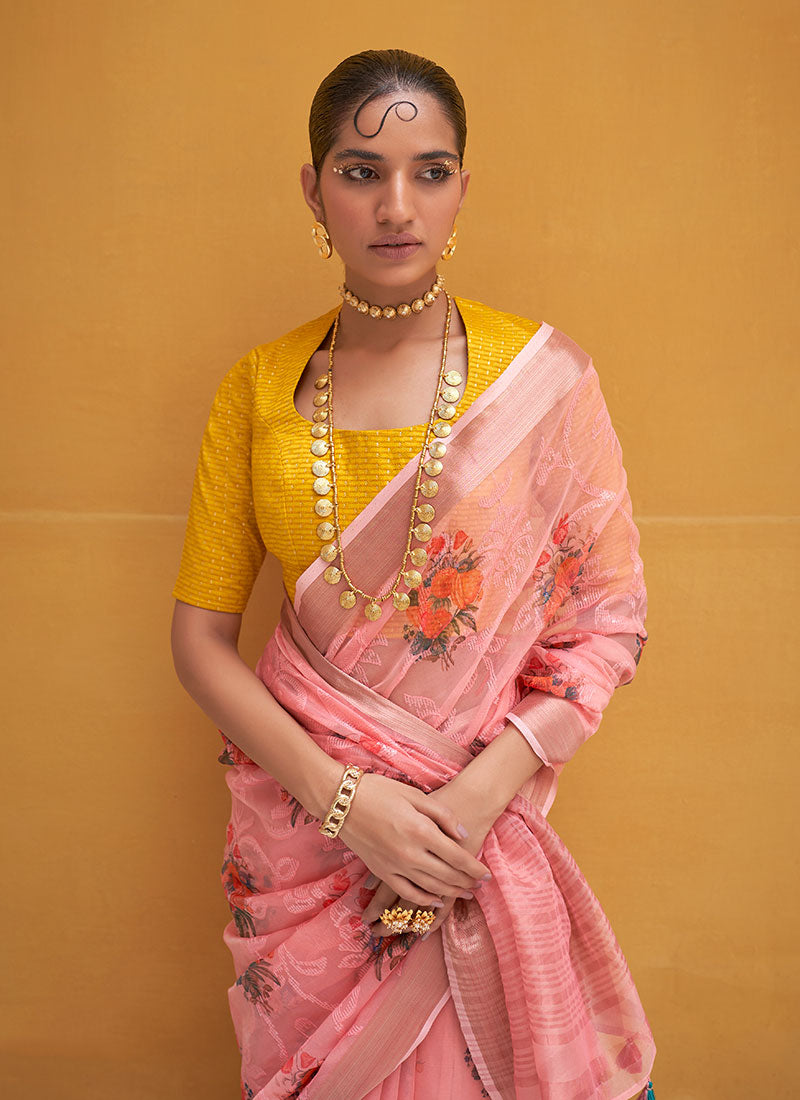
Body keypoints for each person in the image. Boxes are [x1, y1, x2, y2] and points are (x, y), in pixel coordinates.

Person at [170, 47, 657, 1100]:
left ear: (461, 189)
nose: (396, 205)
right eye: (359, 170)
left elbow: (608, 620)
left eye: (429, 171)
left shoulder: (542, 382)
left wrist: (469, 807)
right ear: (313, 188)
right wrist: (349, 804)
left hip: (468, 839)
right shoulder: (258, 390)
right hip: (305, 846)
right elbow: (199, 640)